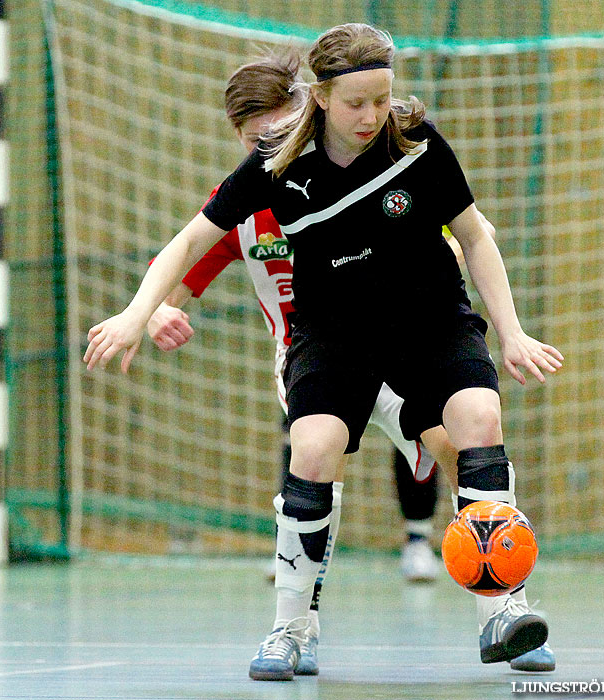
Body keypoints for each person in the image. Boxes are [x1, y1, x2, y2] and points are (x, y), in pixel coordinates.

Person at [83, 23, 563, 681]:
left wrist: (511, 333)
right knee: (312, 451)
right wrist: (138, 313)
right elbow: (191, 242)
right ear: (322, 96)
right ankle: (291, 629)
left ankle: (505, 614)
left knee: (478, 423)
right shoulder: (278, 161)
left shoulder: (417, 143)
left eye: (381, 98)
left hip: (431, 325)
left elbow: (477, 237)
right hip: (333, 335)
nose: (371, 116)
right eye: (355, 103)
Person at [146, 54, 442, 586]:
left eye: (281, 134)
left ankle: (446, 551)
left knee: (457, 435)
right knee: (312, 448)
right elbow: (181, 270)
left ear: (309, 112)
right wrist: (157, 311)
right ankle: (299, 577)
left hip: (392, 338)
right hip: (306, 352)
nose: (271, 151)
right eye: (256, 141)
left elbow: (454, 241)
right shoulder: (240, 207)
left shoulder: (364, 176)